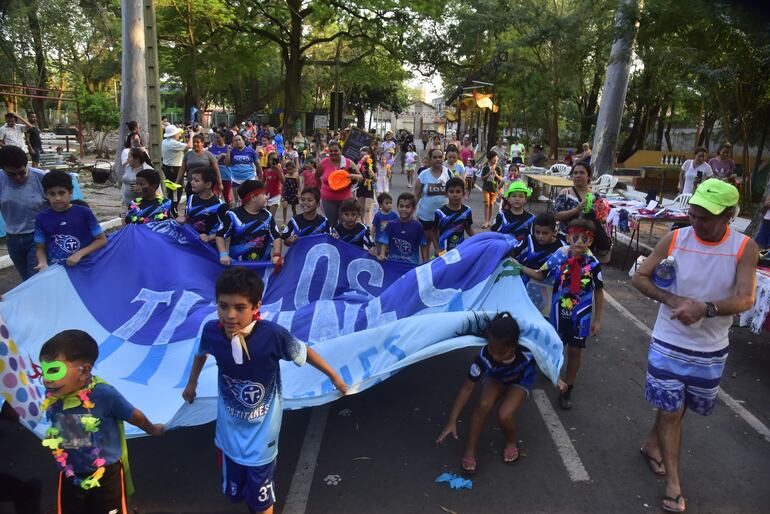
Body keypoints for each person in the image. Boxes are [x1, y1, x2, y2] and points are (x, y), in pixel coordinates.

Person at [631, 179, 757, 514]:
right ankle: (673, 484)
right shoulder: (675, 238)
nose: (697, 222)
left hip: (710, 348)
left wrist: (707, 308)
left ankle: (650, 444)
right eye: (694, 213)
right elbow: (640, 277)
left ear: (730, 215)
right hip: (668, 341)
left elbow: (747, 297)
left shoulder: (745, 247)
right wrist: (671, 297)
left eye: (706, 217)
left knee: (679, 405)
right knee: (672, 410)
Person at [181, 267, 347, 514]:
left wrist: (334, 376)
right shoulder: (212, 332)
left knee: (262, 502)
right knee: (238, 495)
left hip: (262, 439)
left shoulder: (272, 335)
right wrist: (191, 383)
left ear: (256, 306)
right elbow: (200, 353)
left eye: (239, 307)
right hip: (229, 435)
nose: (230, 315)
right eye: (223, 306)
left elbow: (304, 352)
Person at [40, 330, 164, 514]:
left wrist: (152, 429)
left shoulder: (105, 395)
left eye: (54, 371)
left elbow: (134, 415)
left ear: (85, 371)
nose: (46, 379)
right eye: (42, 370)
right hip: (70, 474)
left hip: (106, 475)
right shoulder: (54, 395)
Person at [436, 312, 567, 473]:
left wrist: (557, 379)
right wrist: (452, 420)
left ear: (513, 345)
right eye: (491, 349)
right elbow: (466, 389)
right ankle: (470, 450)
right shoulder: (485, 356)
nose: (495, 357)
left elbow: (547, 358)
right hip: (496, 379)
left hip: (520, 381)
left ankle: (511, 441)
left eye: (501, 353)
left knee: (504, 415)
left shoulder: (527, 350)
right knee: (482, 406)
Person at [518, 218, 604, 411]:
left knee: (575, 351)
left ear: (591, 241)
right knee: (552, 345)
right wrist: (517, 266)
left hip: (580, 315)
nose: (580, 242)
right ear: (568, 237)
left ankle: (568, 389)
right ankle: (550, 371)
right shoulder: (559, 255)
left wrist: (597, 320)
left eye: (585, 238)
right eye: (576, 237)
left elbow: (599, 291)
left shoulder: (593, 263)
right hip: (557, 312)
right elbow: (541, 274)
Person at [34, 170, 107, 270]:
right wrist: (42, 262)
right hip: (57, 270)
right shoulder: (41, 218)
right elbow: (40, 248)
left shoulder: (84, 212)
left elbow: (102, 240)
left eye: (61, 193)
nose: (57, 198)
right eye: (52, 194)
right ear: (46, 194)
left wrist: (79, 254)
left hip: (85, 266)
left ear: (71, 191)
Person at [0, 145, 48, 280]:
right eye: (11, 174)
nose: (18, 178)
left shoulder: (42, 178)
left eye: (22, 172)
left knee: (35, 280)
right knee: (26, 280)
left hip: (38, 237)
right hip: (13, 239)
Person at [553, 162, 612, 260]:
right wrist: (576, 210)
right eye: (575, 173)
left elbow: (602, 220)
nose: (577, 176)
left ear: (588, 176)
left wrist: (601, 216)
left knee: (585, 270)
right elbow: (556, 216)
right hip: (568, 239)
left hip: (587, 241)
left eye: (581, 173)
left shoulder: (596, 196)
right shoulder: (565, 193)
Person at [216, 180, 283, 265]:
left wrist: (277, 254)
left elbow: (276, 237)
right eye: (263, 194)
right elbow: (220, 235)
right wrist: (223, 254)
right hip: (237, 265)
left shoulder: (267, 215)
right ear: (253, 197)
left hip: (262, 265)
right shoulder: (232, 215)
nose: (267, 197)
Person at [510, 212, 566, 286]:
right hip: (521, 282)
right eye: (537, 232)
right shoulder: (530, 239)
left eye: (545, 233)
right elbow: (514, 253)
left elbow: (541, 276)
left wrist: (519, 266)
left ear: (554, 232)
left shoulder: (560, 248)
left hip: (545, 289)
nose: (540, 236)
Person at [316, 141, 363, 228]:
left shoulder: (348, 163)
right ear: (328, 152)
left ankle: (343, 241)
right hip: (328, 200)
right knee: (331, 225)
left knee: (345, 225)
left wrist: (352, 176)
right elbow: (317, 176)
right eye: (331, 151)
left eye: (336, 150)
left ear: (340, 151)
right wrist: (320, 189)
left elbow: (360, 177)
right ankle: (332, 241)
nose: (333, 153)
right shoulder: (323, 163)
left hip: (345, 200)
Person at [414, 148, 452, 256]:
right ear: (430, 159)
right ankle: (425, 264)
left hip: (444, 216)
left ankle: (439, 266)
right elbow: (416, 194)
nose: (438, 159)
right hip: (426, 215)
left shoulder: (448, 173)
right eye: (435, 157)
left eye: (440, 157)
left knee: (441, 244)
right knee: (426, 241)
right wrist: (410, 211)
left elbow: (456, 192)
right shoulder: (423, 175)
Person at [176, 167, 227, 243]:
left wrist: (209, 237)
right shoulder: (191, 198)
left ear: (208, 184)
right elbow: (189, 216)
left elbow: (226, 229)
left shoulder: (220, 205)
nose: (191, 182)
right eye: (192, 179)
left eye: (196, 180)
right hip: (192, 241)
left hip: (209, 248)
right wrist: (184, 218)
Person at [377, 192, 428, 264]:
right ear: (397, 207)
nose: (404, 209)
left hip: (411, 266)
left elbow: (423, 245)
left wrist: (425, 261)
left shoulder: (418, 227)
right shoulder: (391, 225)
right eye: (401, 206)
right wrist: (382, 254)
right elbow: (384, 241)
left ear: (413, 209)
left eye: (407, 207)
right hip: (393, 264)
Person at [432, 177, 474, 254]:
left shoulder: (467, 211)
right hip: (443, 251)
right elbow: (434, 232)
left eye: (458, 192)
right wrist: (437, 248)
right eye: (451, 192)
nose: (455, 195)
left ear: (463, 193)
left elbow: (468, 228)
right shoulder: (440, 212)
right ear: (446, 193)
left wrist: (478, 240)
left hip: (460, 251)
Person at [177, 134, 222, 198]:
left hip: (205, 186)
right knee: (192, 202)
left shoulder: (208, 155)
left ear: (202, 143)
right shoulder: (188, 155)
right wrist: (177, 181)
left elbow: (216, 170)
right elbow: (182, 169)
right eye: (194, 142)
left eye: (197, 142)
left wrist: (220, 184)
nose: (195, 144)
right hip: (191, 184)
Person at [161, 124, 192, 211]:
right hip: (175, 169)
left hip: (167, 167)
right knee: (178, 189)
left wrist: (182, 136)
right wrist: (192, 135)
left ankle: (171, 207)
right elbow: (189, 146)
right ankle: (174, 208)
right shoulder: (173, 143)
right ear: (174, 134)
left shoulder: (164, 142)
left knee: (171, 189)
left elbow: (183, 146)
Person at [121, 148, 154, 215]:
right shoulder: (127, 167)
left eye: (129, 157)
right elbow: (124, 184)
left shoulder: (147, 170)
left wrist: (140, 188)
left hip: (140, 205)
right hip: (125, 203)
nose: (127, 159)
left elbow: (153, 188)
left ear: (136, 159)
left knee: (137, 224)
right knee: (125, 224)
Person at [480, 150, 503, 229]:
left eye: (497, 158)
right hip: (486, 188)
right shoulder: (486, 168)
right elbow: (482, 178)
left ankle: (489, 221)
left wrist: (496, 175)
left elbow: (501, 179)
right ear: (490, 159)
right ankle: (486, 221)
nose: (496, 160)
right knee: (487, 203)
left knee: (491, 204)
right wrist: (489, 174)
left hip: (494, 189)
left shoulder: (498, 168)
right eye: (494, 158)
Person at [209, 131, 233, 205]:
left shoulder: (228, 148)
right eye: (215, 138)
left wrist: (223, 155)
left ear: (223, 138)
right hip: (214, 175)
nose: (216, 139)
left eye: (218, 138)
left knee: (227, 196)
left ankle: (228, 211)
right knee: (214, 195)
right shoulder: (212, 148)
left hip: (226, 175)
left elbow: (232, 159)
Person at [356, 148, 376, 225]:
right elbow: (356, 170)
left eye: (365, 155)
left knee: (367, 208)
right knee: (361, 209)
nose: (363, 156)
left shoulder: (372, 165)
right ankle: (362, 223)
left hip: (369, 187)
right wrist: (361, 161)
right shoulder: (359, 163)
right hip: (360, 186)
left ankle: (368, 225)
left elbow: (375, 179)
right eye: (361, 155)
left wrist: (373, 175)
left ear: (370, 155)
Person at [263, 152, 284, 218]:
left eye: (275, 160)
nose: (273, 161)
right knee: (267, 216)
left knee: (271, 216)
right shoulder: (266, 171)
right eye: (271, 159)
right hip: (267, 195)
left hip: (276, 195)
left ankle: (272, 228)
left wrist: (278, 171)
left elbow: (283, 181)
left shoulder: (279, 170)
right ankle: (270, 228)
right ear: (268, 160)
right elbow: (262, 182)